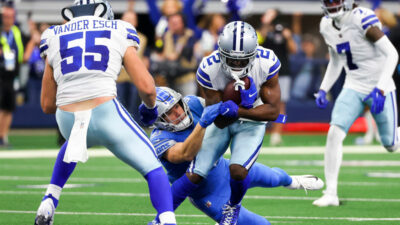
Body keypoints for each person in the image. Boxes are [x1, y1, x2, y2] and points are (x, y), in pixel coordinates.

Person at [34, 1, 177, 225]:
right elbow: (148, 88)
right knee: (153, 165)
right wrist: (150, 109)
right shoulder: (118, 29)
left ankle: (50, 198)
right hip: (104, 112)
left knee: (75, 140)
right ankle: (168, 220)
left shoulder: (52, 35)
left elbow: (47, 105)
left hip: (66, 117)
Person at [156, 21, 284, 225]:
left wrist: (243, 108)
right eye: (232, 59)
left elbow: (273, 111)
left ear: (254, 53)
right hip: (224, 120)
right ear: (221, 52)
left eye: (243, 61)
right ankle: (161, 218)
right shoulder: (209, 68)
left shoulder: (267, 62)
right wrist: (231, 107)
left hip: (252, 122)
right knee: (195, 173)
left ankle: (232, 206)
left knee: (238, 171)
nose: (237, 66)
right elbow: (221, 121)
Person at [146, 86, 324, 225]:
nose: (178, 112)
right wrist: (203, 123)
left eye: (177, 105)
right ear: (159, 120)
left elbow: (219, 108)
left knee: (275, 177)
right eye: (169, 112)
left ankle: (293, 182)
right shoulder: (159, 138)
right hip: (208, 193)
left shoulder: (191, 103)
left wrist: (237, 107)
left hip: (224, 167)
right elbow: (185, 154)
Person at [313, 0, 399, 207]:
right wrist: (324, 88)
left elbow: (392, 54)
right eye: (328, 1)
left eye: (335, 1)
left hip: (380, 86)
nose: (331, 5)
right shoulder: (325, 25)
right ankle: (331, 193)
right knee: (334, 133)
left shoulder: (361, 18)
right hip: (353, 86)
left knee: (390, 144)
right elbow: (336, 61)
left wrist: (380, 87)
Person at [257, 9, 298, 146]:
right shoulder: (264, 30)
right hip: (265, 73)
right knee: (261, 102)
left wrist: (289, 37)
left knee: (281, 104)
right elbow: (257, 42)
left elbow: (294, 50)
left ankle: (276, 133)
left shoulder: (284, 29)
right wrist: (265, 23)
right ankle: (257, 132)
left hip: (283, 73)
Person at [0, 5, 25, 147]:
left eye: (10, 17)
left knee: (9, 107)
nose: (7, 19)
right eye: (5, 17)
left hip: (12, 75)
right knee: (1, 107)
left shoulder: (16, 32)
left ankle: (3, 137)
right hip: (1, 74)